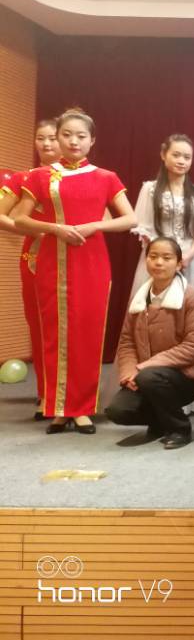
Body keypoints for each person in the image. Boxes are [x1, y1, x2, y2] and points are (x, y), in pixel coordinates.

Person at [11, 108, 137, 433]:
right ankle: (58, 407)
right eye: (66, 135)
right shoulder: (41, 176)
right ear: (58, 138)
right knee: (53, 332)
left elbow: (131, 218)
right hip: (51, 261)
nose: (73, 141)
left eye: (81, 136)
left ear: (92, 140)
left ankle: (81, 408)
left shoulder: (105, 177)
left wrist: (95, 225)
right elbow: (20, 219)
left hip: (92, 262)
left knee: (87, 334)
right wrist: (55, 229)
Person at [129, 134, 194, 414]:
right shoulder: (149, 189)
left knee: (189, 321)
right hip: (157, 261)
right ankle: (151, 381)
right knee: (155, 318)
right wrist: (164, 259)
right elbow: (144, 229)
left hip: (189, 262)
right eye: (176, 155)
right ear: (163, 155)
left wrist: (185, 257)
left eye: (187, 157)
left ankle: (189, 390)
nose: (182, 161)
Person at [105, 238, 194, 449]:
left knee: (149, 377)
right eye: (153, 256)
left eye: (166, 258)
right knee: (118, 411)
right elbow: (127, 342)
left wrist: (144, 367)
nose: (158, 263)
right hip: (145, 375)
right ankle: (160, 421)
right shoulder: (139, 298)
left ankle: (180, 428)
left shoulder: (193, 298)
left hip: (184, 376)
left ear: (179, 263)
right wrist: (129, 373)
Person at [0, 118, 60, 419]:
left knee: (72, 326)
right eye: (40, 138)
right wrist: (35, 231)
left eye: (53, 138)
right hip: (35, 257)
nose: (46, 144)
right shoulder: (23, 179)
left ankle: (75, 395)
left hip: (73, 255)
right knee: (40, 325)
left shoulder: (77, 178)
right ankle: (46, 393)